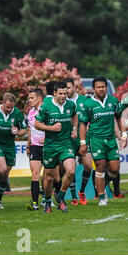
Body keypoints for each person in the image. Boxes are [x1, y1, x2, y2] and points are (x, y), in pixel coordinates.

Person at [79, 77, 128, 206]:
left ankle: (101, 183)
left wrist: (123, 135)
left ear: (106, 88)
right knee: (100, 165)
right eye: (99, 87)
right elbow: (83, 124)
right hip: (96, 139)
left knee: (114, 169)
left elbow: (119, 118)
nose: (101, 89)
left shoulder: (113, 101)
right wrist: (83, 142)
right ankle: (101, 197)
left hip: (111, 139)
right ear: (94, 89)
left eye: (103, 87)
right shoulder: (88, 104)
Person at [35, 81, 78, 213]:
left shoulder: (71, 104)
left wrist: (75, 128)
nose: (63, 96)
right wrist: (51, 128)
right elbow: (37, 124)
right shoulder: (46, 106)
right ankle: (48, 201)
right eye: (60, 93)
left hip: (66, 144)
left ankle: (60, 196)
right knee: (49, 177)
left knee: (70, 171)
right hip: (50, 145)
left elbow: (75, 116)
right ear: (54, 93)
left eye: (65, 93)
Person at [64, 77, 94, 205]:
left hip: (83, 139)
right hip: (68, 139)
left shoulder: (84, 100)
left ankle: (82, 191)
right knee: (71, 168)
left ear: (74, 87)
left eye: (68, 88)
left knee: (88, 165)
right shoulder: (62, 102)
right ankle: (73, 196)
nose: (66, 91)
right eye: (64, 89)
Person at [25, 88, 46, 210]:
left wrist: (47, 138)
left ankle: (49, 199)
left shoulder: (47, 110)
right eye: (29, 98)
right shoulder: (31, 113)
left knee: (51, 176)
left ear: (39, 98)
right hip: (34, 147)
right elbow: (30, 130)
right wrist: (28, 146)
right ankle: (34, 203)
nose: (30, 100)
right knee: (35, 174)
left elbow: (55, 127)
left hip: (48, 146)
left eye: (32, 98)